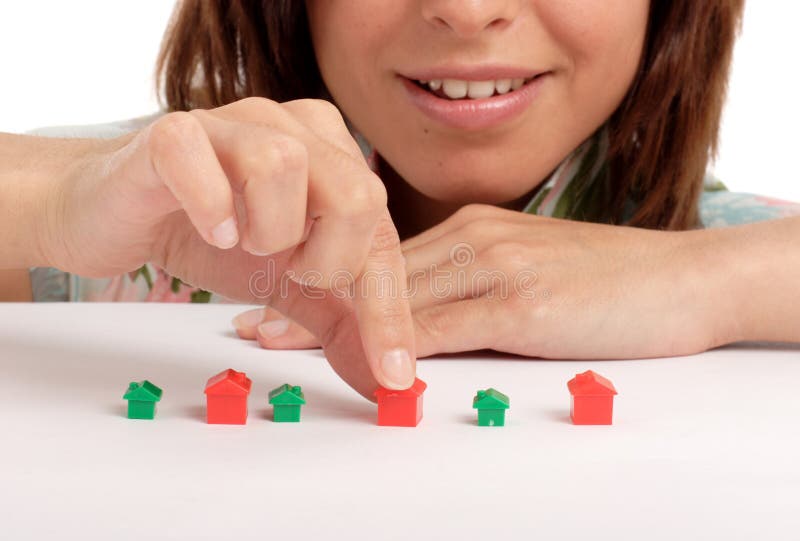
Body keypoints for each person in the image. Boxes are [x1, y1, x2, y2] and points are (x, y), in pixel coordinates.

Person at [1, 1, 798, 400]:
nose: (467, 8)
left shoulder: (736, 254)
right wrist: (47, 203)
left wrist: (705, 279)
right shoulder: (146, 204)